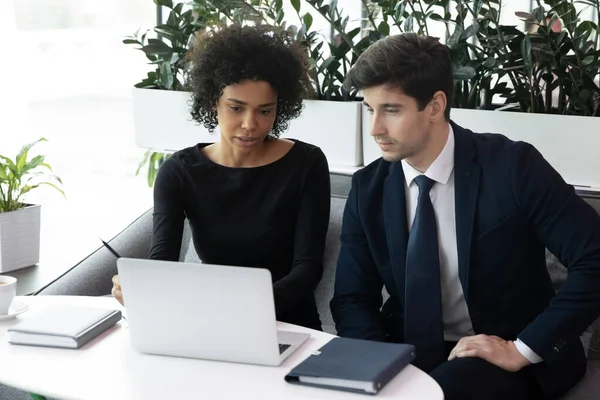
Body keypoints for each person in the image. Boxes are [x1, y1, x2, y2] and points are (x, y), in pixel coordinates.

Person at [331, 32, 600, 399]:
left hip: (504, 356)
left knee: (445, 391)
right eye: (369, 108)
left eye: (391, 110)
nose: (375, 127)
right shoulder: (368, 189)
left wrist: (522, 349)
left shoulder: (513, 167)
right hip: (406, 353)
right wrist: (378, 365)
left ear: (436, 106)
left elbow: (595, 258)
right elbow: (352, 298)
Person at [112, 24, 331, 331]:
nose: (249, 124)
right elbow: (161, 263)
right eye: (235, 108)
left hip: (287, 325)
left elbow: (307, 270)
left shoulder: (306, 164)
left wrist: (241, 308)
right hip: (209, 323)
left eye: (264, 111)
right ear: (213, 100)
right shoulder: (179, 172)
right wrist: (139, 288)